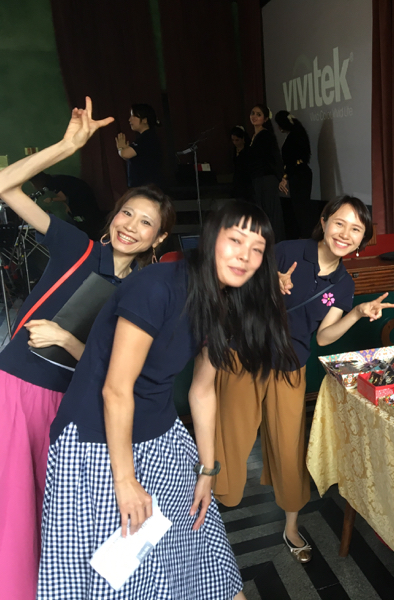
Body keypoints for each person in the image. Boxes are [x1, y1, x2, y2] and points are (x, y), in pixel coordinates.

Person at [39, 200, 296, 599]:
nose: (245, 256)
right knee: (123, 575)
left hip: (162, 435)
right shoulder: (157, 287)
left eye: (257, 249)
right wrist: (125, 481)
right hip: (98, 443)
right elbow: (116, 389)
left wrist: (208, 470)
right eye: (235, 240)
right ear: (211, 239)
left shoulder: (225, 301)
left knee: (199, 552)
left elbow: (202, 390)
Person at [0, 98, 175, 600]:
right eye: (126, 213)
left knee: (57, 513)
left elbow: (123, 373)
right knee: (14, 506)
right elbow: (5, 186)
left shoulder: (143, 293)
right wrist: (66, 146)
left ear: (158, 238)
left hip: (76, 407)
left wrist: (67, 339)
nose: (130, 226)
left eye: (145, 222)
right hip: (19, 387)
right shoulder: (77, 247)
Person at [213, 195, 394, 563]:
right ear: (324, 221)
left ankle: (292, 526)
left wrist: (357, 313)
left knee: (289, 446)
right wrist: (267, 282)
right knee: (229, 440)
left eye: (355, 229)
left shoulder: (343, 284)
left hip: (290, 365)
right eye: (339, 223)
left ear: (362, 241)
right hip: (244, 355)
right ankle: (210, 525)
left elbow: (324, 337)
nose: (344, 233)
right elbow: (234, 285)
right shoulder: (286, 251)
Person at [29, 171, 106, 239]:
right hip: (79, 193)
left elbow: (63, 197)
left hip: (81, 195)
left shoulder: (51, 183)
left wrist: (51, 199)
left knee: (85, 219)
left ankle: (93, 235)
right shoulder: (54, 180)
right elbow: (65, 192)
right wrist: (67, 206)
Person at [247, 104, 285, 241]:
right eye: (253, 113)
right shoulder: (254, 136)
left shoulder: (266, 135)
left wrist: (281, 177)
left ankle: (274, 242)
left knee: (270, 212)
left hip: (267, 179)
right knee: (262, 212)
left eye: (258, 114)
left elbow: (275, 157)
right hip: (258, 179)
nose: (254, 117)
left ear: (265, 119)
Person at [275, 110, 313, 237]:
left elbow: (291, 161)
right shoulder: (299, 134)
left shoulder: (293, 137)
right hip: (301, 173)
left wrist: (285, 177)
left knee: (300, 209)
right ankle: (306, 236)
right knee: (303, 208)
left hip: (298, 175)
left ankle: (305, 237)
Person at [116, 103, 163, 188]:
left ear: (144, 120)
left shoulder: (146, 137)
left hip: (146, 187)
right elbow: (130, 156)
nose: (129, 120)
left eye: (133, 116)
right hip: (144, 187)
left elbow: (125, 154)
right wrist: (124, 150)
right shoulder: (146, 137)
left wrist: (120, 148)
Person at [230, 125, 251, 201]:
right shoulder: (234, 150)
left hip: (247, 182)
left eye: (237, 140)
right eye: (233, 140)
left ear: (243, 139)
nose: (235, 143)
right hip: (237, 182)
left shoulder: (248, 151)